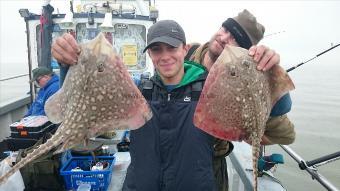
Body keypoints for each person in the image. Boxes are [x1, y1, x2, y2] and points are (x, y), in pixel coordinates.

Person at [51, 17, 285, 190]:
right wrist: (70, 65)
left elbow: (271, 112)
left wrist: (268, 72)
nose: (164, 56)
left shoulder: (210, 90)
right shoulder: (137, 91)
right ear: (149, 55)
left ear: (184, 49)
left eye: (171, 48)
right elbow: (86, 105)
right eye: (156, 49)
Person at [187, 9, 295, 191]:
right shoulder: (186, 53)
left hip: (210, 165)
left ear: (244, 51)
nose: (224, 37)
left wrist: (273, 83)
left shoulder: (246, 84)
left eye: (234, 38)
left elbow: (285, 135)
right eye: (225, 28)